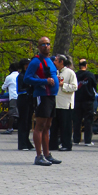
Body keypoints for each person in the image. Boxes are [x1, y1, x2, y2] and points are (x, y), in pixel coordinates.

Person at [24, 37, 61, 166]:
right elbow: (27, 78)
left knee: (47, 126)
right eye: (43, 44)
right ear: (39, 47)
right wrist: (45, 81)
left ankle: (47, 154)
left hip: (51, 96)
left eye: (48, 44)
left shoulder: (50, 61)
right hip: (42, 95)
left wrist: (57, 81)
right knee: (40, 125)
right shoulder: (35, 61)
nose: (46, 46)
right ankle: (38, 156)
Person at [49, 54, 77, 152]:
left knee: (65, 126)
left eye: (56, 60)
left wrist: (63, 85)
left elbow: (74, 87)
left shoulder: (70, 73)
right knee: (54, 126)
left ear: (61, 62)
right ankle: (53, 144)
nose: (54, 62)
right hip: (55, 103)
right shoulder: (54, 72)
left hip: (65, 104)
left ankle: (66, 145)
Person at [73, 59, 97, 146]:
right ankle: (87, 140)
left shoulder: (75, 75)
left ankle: (76, 139)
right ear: (86, 65)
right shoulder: (90, 75)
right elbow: (95, 86)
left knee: (77, 121)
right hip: (88, 100)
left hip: (77, 100)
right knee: (88, 121)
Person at [16, 58, 34, 151]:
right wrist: (29, 89)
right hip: (23, 99)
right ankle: (22, 143)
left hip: (30, 99)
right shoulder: (21, 76)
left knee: (28, 122)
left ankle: (27, 141)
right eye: (26, 64)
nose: (27, 66)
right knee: (23, 121)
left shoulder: (29, 75)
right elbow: (19, 90)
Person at [1, 62, 19, 134]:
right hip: (21, 96)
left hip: (13, 96)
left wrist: (1, 94)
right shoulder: (20, 75)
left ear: (10, 69)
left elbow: (3, 88)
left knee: (12, 113)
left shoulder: (9, 77)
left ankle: (10, 128)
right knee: (21, 113)